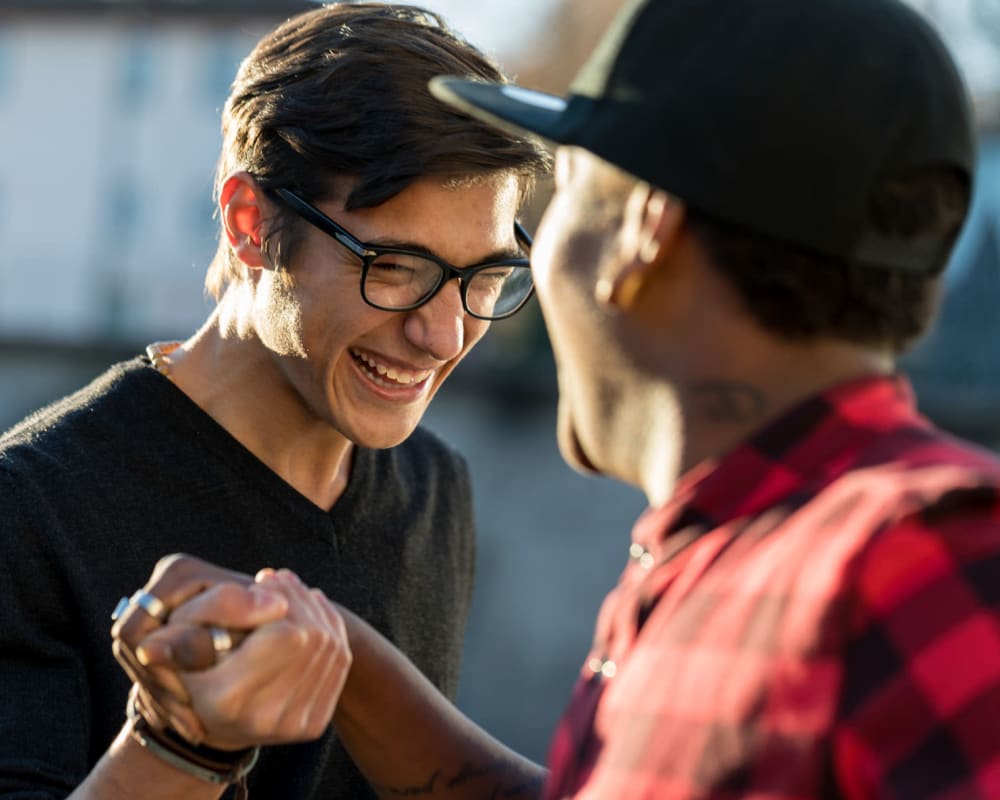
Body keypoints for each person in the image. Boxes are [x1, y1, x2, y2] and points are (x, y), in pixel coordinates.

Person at [122, 0, 1000, 797]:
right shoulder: (733, 558)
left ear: (642, 230)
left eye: (563, 193)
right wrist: (337, 656)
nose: (442, 328)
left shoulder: (931, 561)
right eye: (396, 267)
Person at [0, 3, 548, 798]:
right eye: (396, 267)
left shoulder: (435, 489)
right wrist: (177, 747)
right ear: (250, 223)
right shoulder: (29, 508)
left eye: (485, 278)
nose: (442, 335)